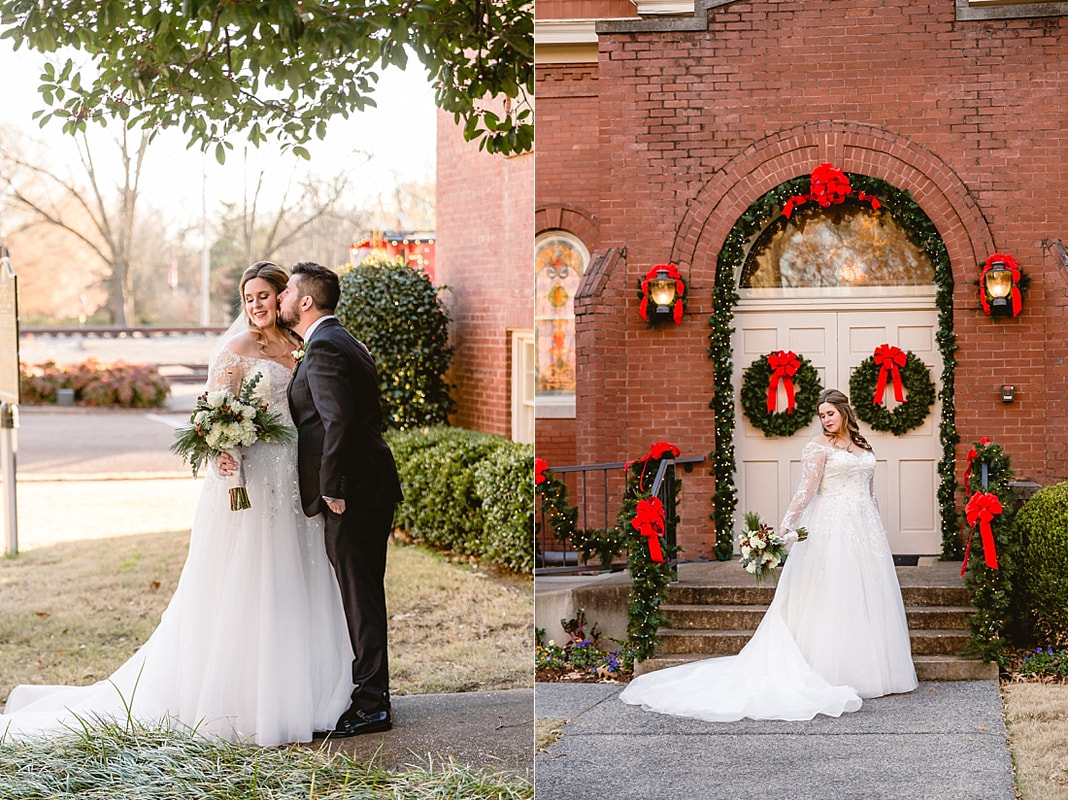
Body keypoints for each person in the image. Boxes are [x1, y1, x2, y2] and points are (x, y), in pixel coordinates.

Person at [0, 261, 354, 746]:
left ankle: (306, 691)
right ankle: (247, 699)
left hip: (295, 477)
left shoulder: (299, 347)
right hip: (251, 482)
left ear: (284, 297)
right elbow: (213, 420)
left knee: (301, 575)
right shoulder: (234, 352)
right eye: (247, 298)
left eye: (264, 295)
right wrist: (225, 459)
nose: (256, 305)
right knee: (254, 579)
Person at [619, 388, 918, 721]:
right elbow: (805, 491)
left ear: (845, 412)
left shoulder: (864, 446)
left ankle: (872, 671)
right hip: (830, 525)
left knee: (863, 595)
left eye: (830, 413)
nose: (825, 420)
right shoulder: (817, 448)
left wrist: (878, 529)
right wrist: (784, 529)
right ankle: (830, 669)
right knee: (831, 591)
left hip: (864, 529)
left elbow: (871, 492)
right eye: (821, 415)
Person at [278, 261, 403, 738]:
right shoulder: (339, 339)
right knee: (363, 593)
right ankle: (371, 695)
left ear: (306, 301)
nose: (284, 297)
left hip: (355, 493)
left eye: (288, 291)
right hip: (369, 486)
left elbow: (339, 423)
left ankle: (372, 704)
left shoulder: (327, 345)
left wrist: (333, 487)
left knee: (361, 597)